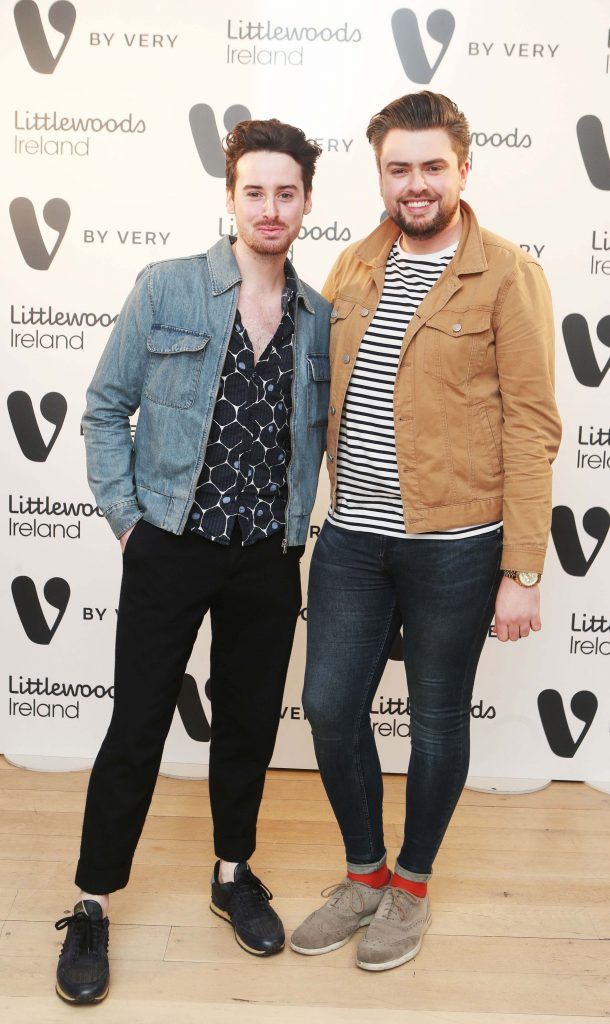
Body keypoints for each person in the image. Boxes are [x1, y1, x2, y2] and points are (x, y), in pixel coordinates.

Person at [54, 119, 330, 1004]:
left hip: (266, 557)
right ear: (230, 195)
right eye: (256, 190)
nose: (271, 207)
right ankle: (92, 902)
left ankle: (230, 873)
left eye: (287, 192)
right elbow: (104, 409)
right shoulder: (168, 288)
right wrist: (130, 524)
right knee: (136, 728)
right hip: (169, 545)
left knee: (249, 726)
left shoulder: (318, 318)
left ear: (307, 202)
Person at [290, 91, 561, 972]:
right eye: (398, 168)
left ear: (463, 169)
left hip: (456, 545)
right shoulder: (354, 267)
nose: (415, 184)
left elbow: (531, 421)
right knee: (331, 705)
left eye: (432, 166)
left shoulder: (508, 273)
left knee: (438, 718)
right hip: (353, 539)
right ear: (380, 174)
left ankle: (409, 888)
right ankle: (363, 874)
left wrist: (523, 567)